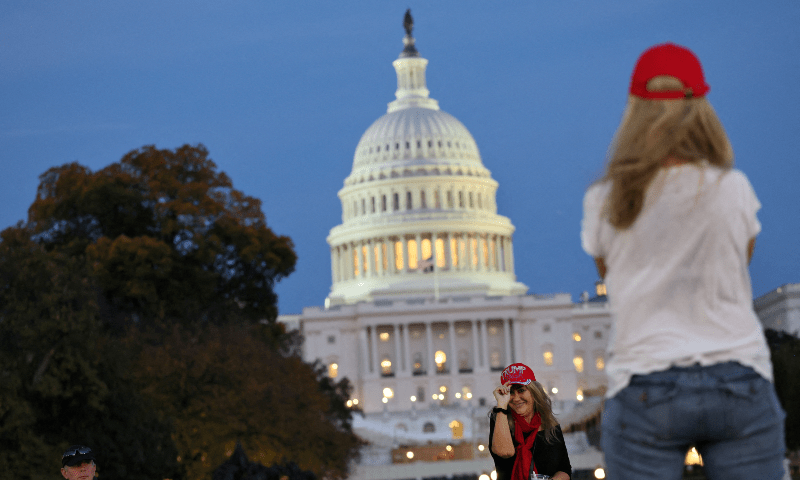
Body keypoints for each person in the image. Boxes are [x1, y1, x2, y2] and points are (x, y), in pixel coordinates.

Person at [581, 42, 787, 479]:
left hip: (643, 384)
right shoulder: (734, 189)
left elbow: (610, 277)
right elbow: (738, 267)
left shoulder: (606, 200)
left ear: (633, 110)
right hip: (739, 377)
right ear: (702, 109)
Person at [489, 363, 572, 480]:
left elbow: (564, 470)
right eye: (511, 392)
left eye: (521, 390)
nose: (516, 398)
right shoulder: (500, 418)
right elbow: (505, 452)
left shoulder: (550, 425)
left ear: (534, 392)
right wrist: (502, 404)